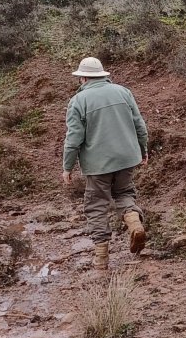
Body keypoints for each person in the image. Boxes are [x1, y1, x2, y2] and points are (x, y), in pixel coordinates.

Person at [61, 57, 150, 270]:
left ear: (83, 78)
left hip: (98, 164)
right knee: (124, 193)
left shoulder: (78, 101)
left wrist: (67, 167)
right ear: (102, 75)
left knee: (96, 205)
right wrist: (143, 149)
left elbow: (74, 139)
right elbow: (140, 124)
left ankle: (101, 258)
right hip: (127, 158)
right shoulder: (123, 92)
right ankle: (134, 223)